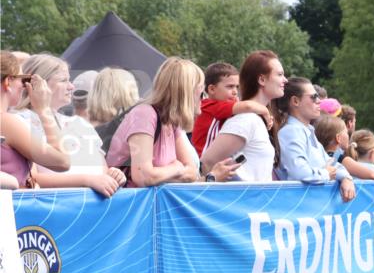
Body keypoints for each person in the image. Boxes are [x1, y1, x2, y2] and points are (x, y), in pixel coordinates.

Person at [105, 58, 236, 187]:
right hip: (130, 205)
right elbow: (143, 177)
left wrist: (161, 174)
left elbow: (191, 173)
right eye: (201, 94)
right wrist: (176, 168)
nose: (203, 99)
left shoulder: (171, 122)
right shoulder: (145, 115)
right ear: (186, 93)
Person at [14, 54, 124, 197]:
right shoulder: (19, 122)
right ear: (38, 83)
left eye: (69, 80)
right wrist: (86, 180)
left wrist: (113, 175)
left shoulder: (80, 124)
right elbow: (30, 178)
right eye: (63, 80)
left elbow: (102, 170)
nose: (71, 86)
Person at [201, 51, 286, 182]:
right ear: (262, 79)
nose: (285, 80)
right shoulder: (246, 119)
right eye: (280, 74)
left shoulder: (254, 118)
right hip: (241, 201)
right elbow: (207, 162)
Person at [274, 77, 355, 200]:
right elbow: (299, 173)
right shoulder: (291, 132)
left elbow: (332, 163)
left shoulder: (306, 130)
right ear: (295, 101)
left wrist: (346, 178)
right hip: (298, 207)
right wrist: (326, 173)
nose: (319, 101)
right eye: (313, 97)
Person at [0, 51, 70, 187]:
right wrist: (44, 109)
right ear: (8, 81)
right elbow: (63, 161)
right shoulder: (6, 122)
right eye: (23, 79)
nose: (24, 86)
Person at [191, 62, 274, 156]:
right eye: (230, 86)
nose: (235, 92)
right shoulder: (210, 106)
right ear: (212, 89)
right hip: (203, 161)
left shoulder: (223, 107)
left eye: (237, 87)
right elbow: (248, 106)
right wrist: (266, 112)